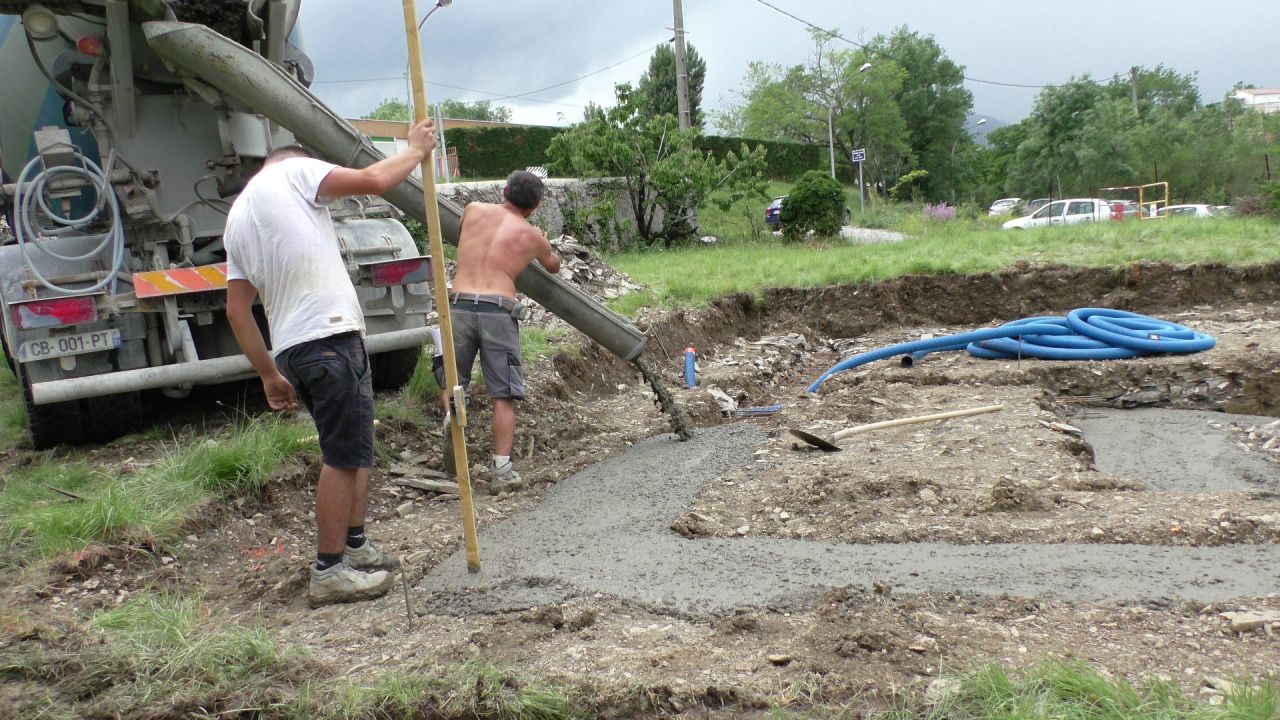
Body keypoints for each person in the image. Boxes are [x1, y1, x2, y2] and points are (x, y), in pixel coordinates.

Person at [223, 119, 436, 608]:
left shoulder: (238, 216)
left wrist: (268, 373)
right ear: (296, 158)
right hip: (329, 337)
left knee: (355, 447)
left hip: (297, 347)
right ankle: (330, 569)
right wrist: (417, 150)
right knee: (342, 458)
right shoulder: (295, 173)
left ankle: (355, 547)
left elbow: (237, 309)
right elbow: (377, 181)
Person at [438, 170, 560, 493]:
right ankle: (502, 470)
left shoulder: (473, 210)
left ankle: (453, 427)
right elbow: (554, 265)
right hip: (497, 310)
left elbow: (465, 234)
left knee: (454, 382)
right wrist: (542, 241)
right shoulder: (531, 235)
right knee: (502, 394)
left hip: (460, 304)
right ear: (534, 206)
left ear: (503, 190)